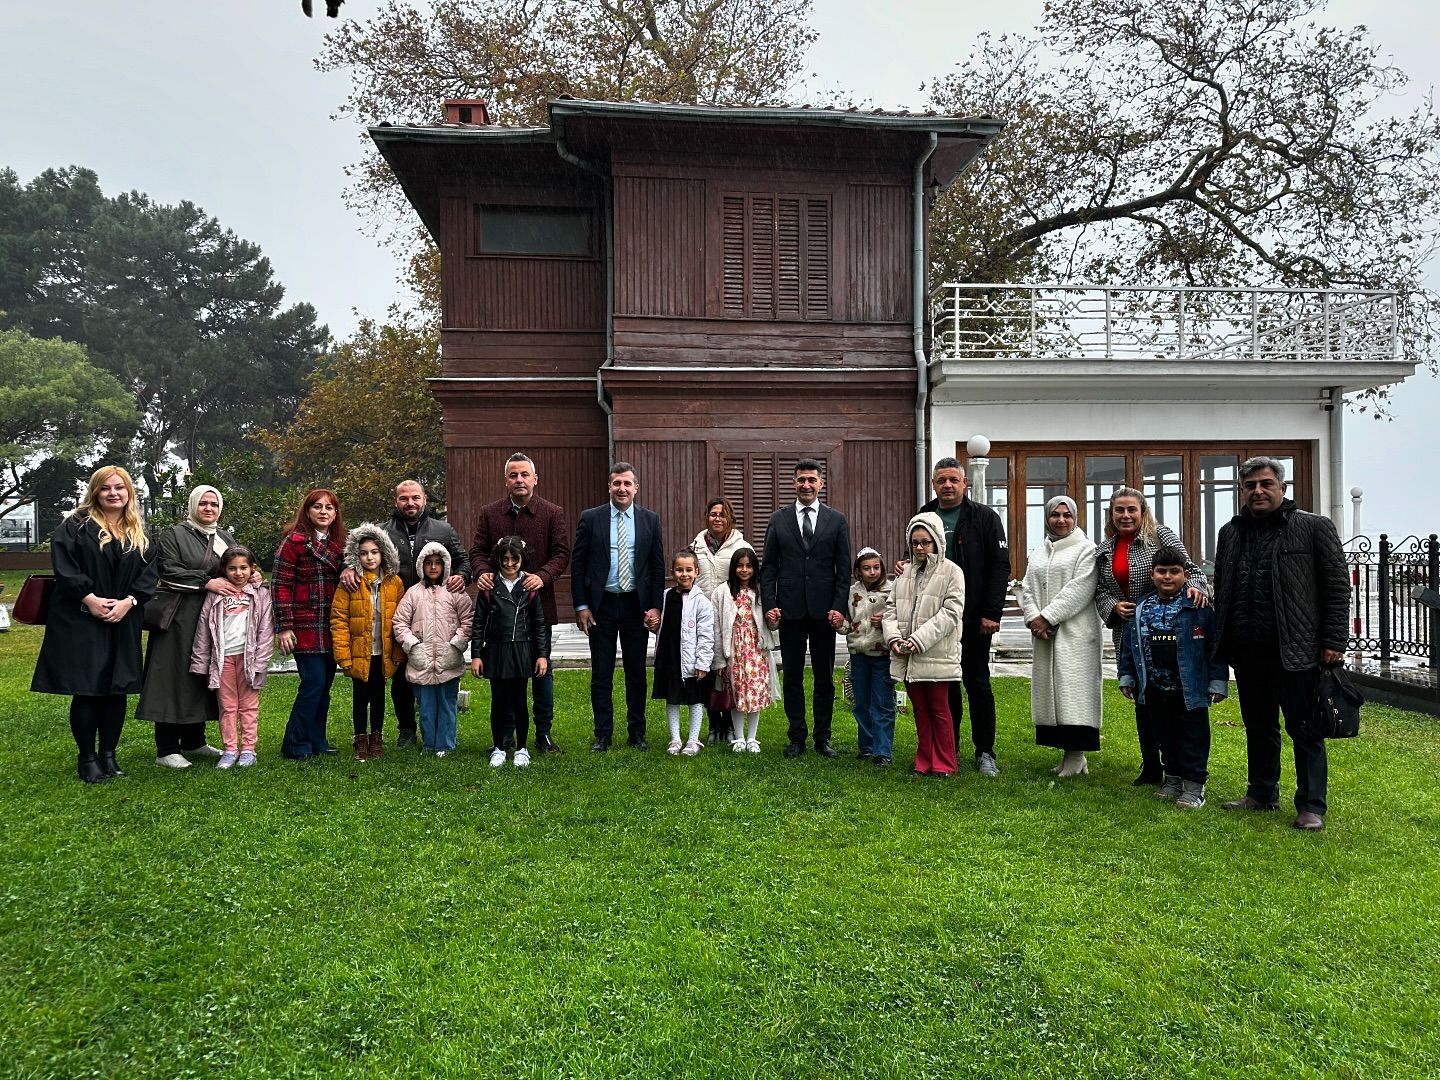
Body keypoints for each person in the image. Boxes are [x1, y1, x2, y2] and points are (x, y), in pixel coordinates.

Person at [1212, 457, 1350, 831]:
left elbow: (1336, 586)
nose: (1258, 491)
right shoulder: (1230, 532)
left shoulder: (1312, 528)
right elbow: (1223, 586)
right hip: (1248, 648)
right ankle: (1261, 793)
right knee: (1258, 726)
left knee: (1304, 727)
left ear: (1282, 488)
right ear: (1242, 491)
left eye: (1266, 484)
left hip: (1296, 648)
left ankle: (1311, 806)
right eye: (1251, 485)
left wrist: (1334, 640)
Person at [32, 466, 158, 783]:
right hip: (81, 617)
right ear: (95, 492)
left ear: (129, 492)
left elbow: (148, 576)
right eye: (106, 488)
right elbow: (66, 568)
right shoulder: (75, 527)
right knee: (88, 689)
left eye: (120, 487)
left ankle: (109, 756)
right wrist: (89, 598)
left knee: (116, 689)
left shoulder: (138, 532)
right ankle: (87, 758)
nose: (113, 493)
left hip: (122, 617)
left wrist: (129, 602)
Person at [340, 480, 469, 750]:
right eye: (403, 499)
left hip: (434, 609)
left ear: (424, 499)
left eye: (415, 498)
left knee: (435, 672)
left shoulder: (442, 529)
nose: (410, 503)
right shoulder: (383, 531)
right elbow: (362, 553)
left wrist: (462, 575)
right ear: (395, 501)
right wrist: (349, 567)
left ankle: (439, 730)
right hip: (395, 609)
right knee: (401, 676)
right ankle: (406, 728)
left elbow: (461, 559)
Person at [1094, 487, 1209, 786]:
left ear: (1143, 512)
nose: (1125, 515)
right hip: (1129, 631)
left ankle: (1182, 768)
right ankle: (1151, 766)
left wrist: (1197, 589)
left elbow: (1191, 569)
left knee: (1172, 700)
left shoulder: (1161, 536)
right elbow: (1101, 591)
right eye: (1119, 510)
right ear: (1111, 514)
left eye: (1132, 509)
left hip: (1170, 630)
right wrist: (1113, 606)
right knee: (1141, 698)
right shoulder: (1105, 549)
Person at [469, 454, 570, 753]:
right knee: (504, 675)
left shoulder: (552, 513)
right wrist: (483, 572)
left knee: (541, 670)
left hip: (537, 608)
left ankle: (543, 733)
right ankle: (506, 736)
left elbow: (562, 553)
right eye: (513, 475)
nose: (519, 480)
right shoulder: (490, 514)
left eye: (524, 475)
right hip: (499, 613)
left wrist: (543, 576)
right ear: (506, 481)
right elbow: (477, 551)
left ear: (535, 479)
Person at [917, 458, 1010, 777]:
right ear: (933, 484)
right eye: (941, 480)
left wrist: (991, 612)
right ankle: (948, 746)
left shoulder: (984, 518)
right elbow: (917, 559)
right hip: (937, 618)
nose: (947, 485)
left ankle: (985, 751)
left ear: (965, 483)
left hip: (974, 617)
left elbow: (1000, 567)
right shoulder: (924, 516)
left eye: (953, 480)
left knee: (977, 681)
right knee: (946, 682)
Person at [1119, 547, 1229, 809]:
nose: (1167, 577)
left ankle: (1194, 787)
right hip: (1155, 688)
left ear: (1185, 574)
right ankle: (1173, 779)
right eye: (1161, 571)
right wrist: (1127, 676)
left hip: (1190, 690)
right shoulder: (1141, 608)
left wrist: (1217, 682)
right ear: (1152, 574)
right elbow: (1129, 645)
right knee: (1164, 736)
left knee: (1192, 737)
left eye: (1174, 572)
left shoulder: (1199, 607)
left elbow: (1214, 647)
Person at [136, 485, 235, 767]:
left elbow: (236, 567)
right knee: (172, 677)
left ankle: (194, 741)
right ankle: (166, 749)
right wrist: (206, 581)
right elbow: (168, 571)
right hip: (179, 618)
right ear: (193, 505)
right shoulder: (174, 535)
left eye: (214, 504)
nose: (208, 509)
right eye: (203, 503)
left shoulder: (224, 537)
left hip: (212, 619)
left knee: (202, 675)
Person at [760, 459, 852, 759]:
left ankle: (823, 738)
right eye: (801, 480)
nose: (806, 485)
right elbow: (769, 567)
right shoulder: (778, 520)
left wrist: (839, 607)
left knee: (825, 678)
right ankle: (796, 736)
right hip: (791, 612)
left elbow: (844, 569)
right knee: (794, 677)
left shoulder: (836, 521)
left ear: (821, 484)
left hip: (825, 613)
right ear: (794, 483)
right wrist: (771, 605)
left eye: (812, 480)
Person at [571, 462, 665, 752]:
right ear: (609, 487)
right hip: (602, 607)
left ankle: (637, 733)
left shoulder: (650, 520)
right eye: (617, 484)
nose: (622, 489)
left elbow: (656, 565)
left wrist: (655, 607)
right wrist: (582, 605)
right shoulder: (591, 518)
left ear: (636, 488)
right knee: (602, 673)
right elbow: (578, 564)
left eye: (627, 484)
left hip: (636, 605)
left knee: (636, 672)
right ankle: (603, 734)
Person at [1019, 496, 1102, 777]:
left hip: (1074, 636)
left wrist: (1048, 617)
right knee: (1053, 694)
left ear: (1076, 517)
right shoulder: (1039, 552)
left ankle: (1077, 755)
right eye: (1055, 515)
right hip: (1045, 636)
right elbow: (1027, 587)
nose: (1061, 520)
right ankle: (1069, 755)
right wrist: (1033, 618)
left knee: (1074, 694)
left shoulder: (1086, 550)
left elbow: (1080, 589)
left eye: (1067, 515)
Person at [883, 513, 966, 777]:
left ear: (938, 542)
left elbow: (951, 613)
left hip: (936, 652)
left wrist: (919, 640)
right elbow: (890, 610)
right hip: (907, 653)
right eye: (915, 542)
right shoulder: (904, 574)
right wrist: (894, 638)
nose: (920, 548)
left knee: (939, 708)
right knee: (919, 709)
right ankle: (924, 758)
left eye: (926, 542)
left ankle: (944, 761)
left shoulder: (952, 572)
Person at [274, 488, 347, 761]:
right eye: (317, 507)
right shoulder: (293, 543)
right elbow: (281, 585)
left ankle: (317, 739)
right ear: (307, 511)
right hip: (304, 625)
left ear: (335, 513)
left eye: (329, 508)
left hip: (332, 624)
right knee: (313, 683)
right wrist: (284, 626)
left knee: (324, 685)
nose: (323, 512)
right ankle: (295, 743)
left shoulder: (342, 544)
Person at [189, 545, 274, 768]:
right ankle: (229, 749)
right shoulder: (216, 595)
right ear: (224, 570)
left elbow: (266, 630)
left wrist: (260, 662)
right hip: (222, 659)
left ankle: (248, 749)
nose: (239, 573)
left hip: (248, 661)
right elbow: (203, 629)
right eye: (233, 568)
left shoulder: (261, 593)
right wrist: (200, 661)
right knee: (227, 707)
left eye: (244, 568)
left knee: (248, 706)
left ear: (252, 568)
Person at [471, 536, 552, 769]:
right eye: (504, 559)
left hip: (522, 650)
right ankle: (498, 747)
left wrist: (541, 655)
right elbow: (479, 623)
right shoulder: (489, 587)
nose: (508, 564)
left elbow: (538, 623)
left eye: (514, 559)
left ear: (521, 559)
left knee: (519, 701)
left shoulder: (529, 587)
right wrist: (476, 654)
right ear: (498, 559)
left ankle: (522, 748)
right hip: (496, 650)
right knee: (498, 701)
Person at [331, 524, 405, 762]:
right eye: (363, 553)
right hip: (359, 652)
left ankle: (377, 735)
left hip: (382, 651)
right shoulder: (349, 583)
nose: (369, 557)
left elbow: (401, 619)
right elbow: (339, 619)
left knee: (379, 695)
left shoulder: (395, 583)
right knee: (360, 696)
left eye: (374, 552)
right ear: (356, 555)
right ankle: (360, 736)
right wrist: (343, 655)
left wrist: (397, 652)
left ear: (383, 553)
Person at [393, 543, 474, 758]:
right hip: (422, 662)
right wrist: (412, 646)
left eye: (438, 563)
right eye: (428, 563)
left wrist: (456, 644)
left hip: (448, 661)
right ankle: (429, 743)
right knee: (426, 707)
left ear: (445, 565)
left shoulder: (456, 592)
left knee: (447, 704)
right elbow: (400, 622)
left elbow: (468, 620)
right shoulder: (413, 593)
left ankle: (446, 744)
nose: (433, 567)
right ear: (421, 566)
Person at [690, 497, 749, 744]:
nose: (717, 518)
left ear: (730, 518)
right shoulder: (696, 545)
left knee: (731, 672)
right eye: (713, 514)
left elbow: (748, 578)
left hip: (732, 619)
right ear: (707, 517)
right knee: (707, 671)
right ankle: (714, 724)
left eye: (722, 515)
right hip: (703, 617)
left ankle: (729, 725)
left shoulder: (741, 545)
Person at [710, 546, 777, 754]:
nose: (744, 570)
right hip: (734, 650)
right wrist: (719, 660)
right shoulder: (722, 592)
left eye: (749, 566)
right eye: (740, 566)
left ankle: (752, 738)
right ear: (733, 568)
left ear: (755, 568)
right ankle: (738, 737)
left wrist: (774, 620)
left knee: (754, 692)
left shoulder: (761, 592)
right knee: (737, 693)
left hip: (756, 650)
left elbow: (771, 624)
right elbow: (717, 627)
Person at [651, 549, 716, 756]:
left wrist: (702, 663)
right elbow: (658, 626)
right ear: (672, 572)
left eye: (689, 570)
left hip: (690, 661)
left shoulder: (702, 602)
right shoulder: (664, 597)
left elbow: (707, 636)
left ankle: (693, 740)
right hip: (669, 658)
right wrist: (651, 624)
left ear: (697, 572)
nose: (684, 574)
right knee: (672, 698)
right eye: (679, 570)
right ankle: (675, 739)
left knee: (694, 700)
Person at [845, 547, 897, 766]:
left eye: (876, 567)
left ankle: (883, 750)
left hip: (882, 655)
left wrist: (884, 620)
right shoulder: (852, 592)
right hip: (858, 654)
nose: (872, 572)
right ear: (858, 570)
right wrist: (840, 624)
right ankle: (866, 746)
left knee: (883, 703)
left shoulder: (892, 590)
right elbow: (848, 622)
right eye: (866, 568)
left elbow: (900, 616)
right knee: (861, 702)